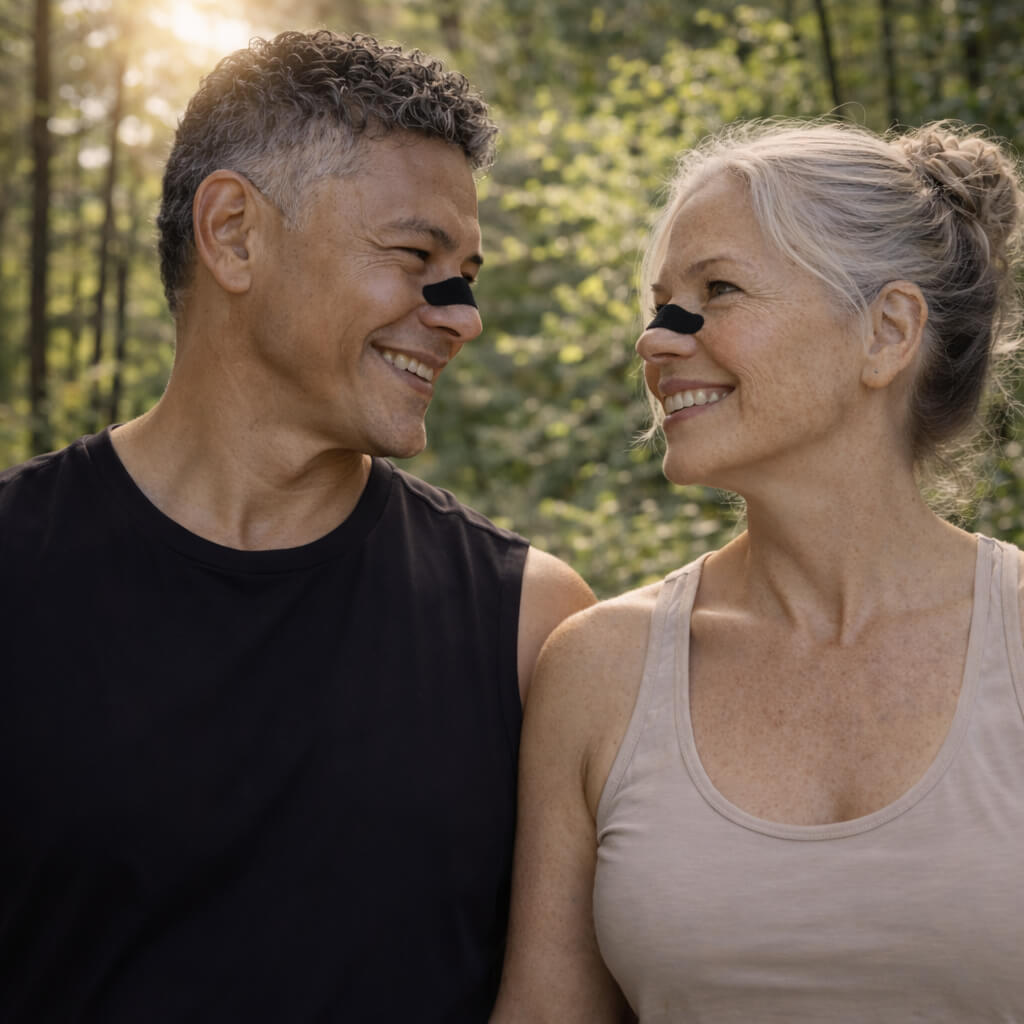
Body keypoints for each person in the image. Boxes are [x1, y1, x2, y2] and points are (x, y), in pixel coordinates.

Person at [0, 30, 594, 1021]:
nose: (463, 316)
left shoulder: (534, 628)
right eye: (416, 256)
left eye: (467, 272)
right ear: (233, 233)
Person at [491, 117, 1024, 1022]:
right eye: (660, 303)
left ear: (887, 331)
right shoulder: (600, 671)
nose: (656, 340)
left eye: (718, 290)